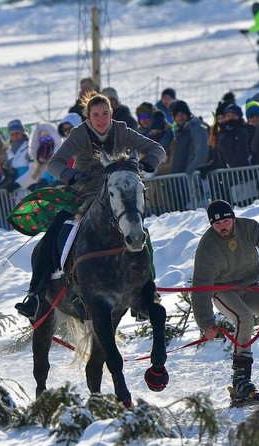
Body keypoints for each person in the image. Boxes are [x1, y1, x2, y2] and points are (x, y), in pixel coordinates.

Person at [14, 91, 166, 319]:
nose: (101, 119)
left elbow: (158, 150)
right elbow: (54, 164)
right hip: (84, 192)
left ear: (111, 114)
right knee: (55, 232)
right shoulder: (78, 135)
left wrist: (142, 166)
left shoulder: (122, 130)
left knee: (139, 230)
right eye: (95, 115)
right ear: (88, 117)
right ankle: (36, 294)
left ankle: (147, 290)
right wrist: (72, 176)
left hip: (116, 194)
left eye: (105, 113)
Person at [190, 199, 259, 405]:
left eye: (226, 221)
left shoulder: (249, 228)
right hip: (222, 290)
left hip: (250, 284)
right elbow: (200, 287)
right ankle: (241, 383)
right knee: (244, 318)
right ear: (211, 225)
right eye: (217, 224)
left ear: (233, 219)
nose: (222, 227)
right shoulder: (207, 247)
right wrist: (206, 323)